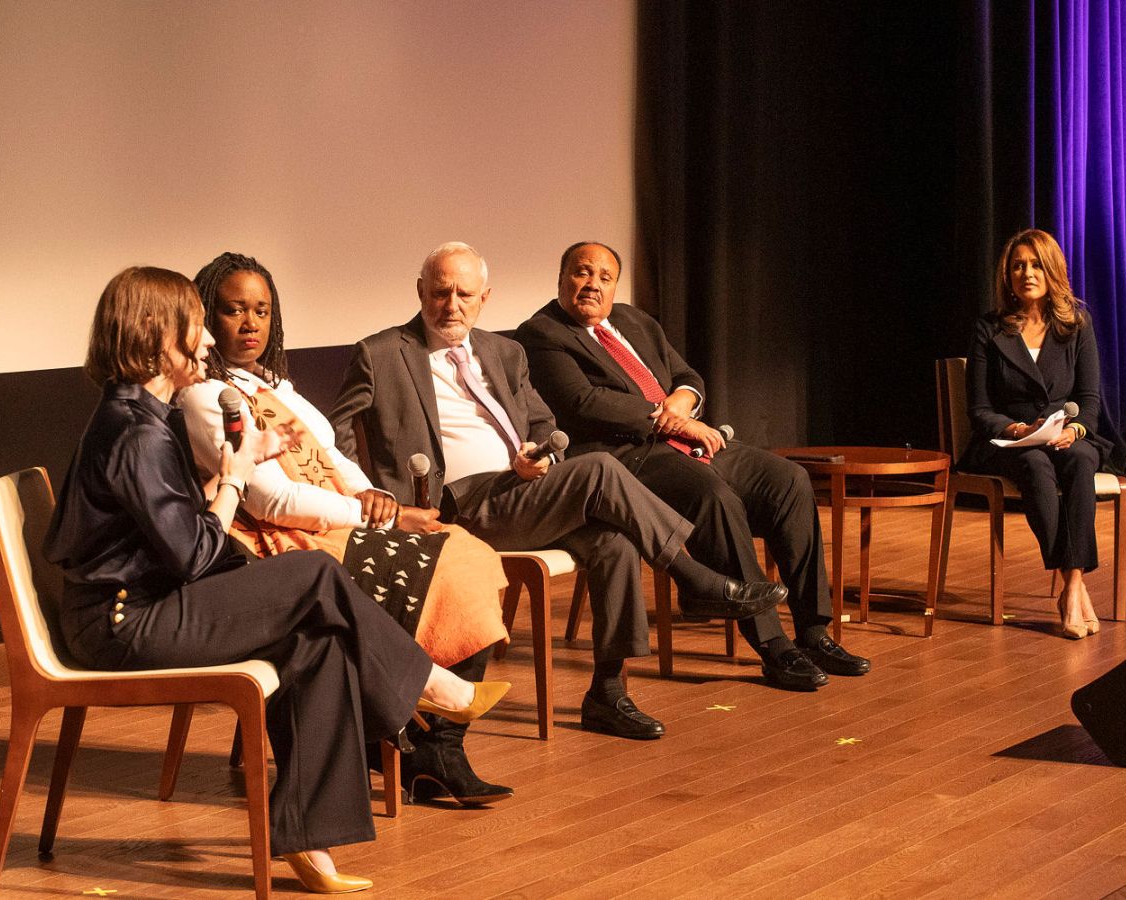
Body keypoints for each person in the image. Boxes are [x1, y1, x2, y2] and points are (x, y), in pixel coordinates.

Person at [44, 266, 508, 894]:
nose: (209, 341)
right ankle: (430, 688)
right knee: (315, 572)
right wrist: (234, 475)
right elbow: (195, 555)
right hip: (124, 623)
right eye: (195, 327)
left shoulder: (142, 417)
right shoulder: (132, 431)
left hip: (148, 604)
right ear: (158, 337)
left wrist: (231, 474)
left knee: (316, 642)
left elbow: (181, 535)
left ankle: (308, 840)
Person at [330, 242, 786, 740]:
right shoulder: (380, 352)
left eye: (464, 294)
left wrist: (540, 452)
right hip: (452, 506)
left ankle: (607, 694)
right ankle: (693, 577)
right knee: (598, 471)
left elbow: (543, 420)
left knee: (614, 543)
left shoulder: (504, 351)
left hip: (521, 491)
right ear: (421, 291)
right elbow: (336, 435)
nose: (452, 305)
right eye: (440, 293)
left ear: (485, 297)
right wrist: (372, 493)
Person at [178, 251, 513, 807]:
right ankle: (413, 741)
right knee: (450, 562)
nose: (251, 323)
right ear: (208, 317)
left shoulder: (274, 384)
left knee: (467, 553)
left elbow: (334, 455)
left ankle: (436, 748)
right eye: (234, 310)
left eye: (261, 310)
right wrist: (374, 515)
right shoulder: (207, 396)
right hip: (279, 540)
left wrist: (371, 495)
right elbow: (273, 499)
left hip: (335, 519)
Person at [515, 242, 871, 691]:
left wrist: (683, 403)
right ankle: (774, 646)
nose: (593, 285)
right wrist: (670, 421)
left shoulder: (634, 320)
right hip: (626, 455)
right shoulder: (543, 333)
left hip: (686, 440)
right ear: (562, 276)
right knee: (714, 498)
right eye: (582, 273)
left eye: (605, 278)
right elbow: (583, 403)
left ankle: (814, 631)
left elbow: (688, 378)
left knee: (790, 480)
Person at [962, 228, 1111, 639]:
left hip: (1064, 432)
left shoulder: (1077, 325)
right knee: (1034, 463)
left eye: (1035, 265)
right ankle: (1072, 583)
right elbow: (979, 410)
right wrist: (1017, 428)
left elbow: (1089, 399)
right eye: (1018, 265)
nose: (1026, 273)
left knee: (1082, 459)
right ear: (1007, 276)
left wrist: (1076, 429)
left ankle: (1073, 585)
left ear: (1052, 271)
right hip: (1007, 440)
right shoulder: (989, 330)